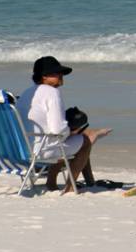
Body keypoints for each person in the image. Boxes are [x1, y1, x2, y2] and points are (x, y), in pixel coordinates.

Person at [16, 56, 111, 193]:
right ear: (44, 77)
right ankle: (70, 187)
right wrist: (72, 132)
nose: (60, 76)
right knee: (84, 142)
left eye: (60, 72)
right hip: (41, 150)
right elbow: (58, 130)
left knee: (67, 139)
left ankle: (52, 182)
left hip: (22, 148)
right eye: (55, 73)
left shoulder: (27, 93)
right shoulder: (52, 93)